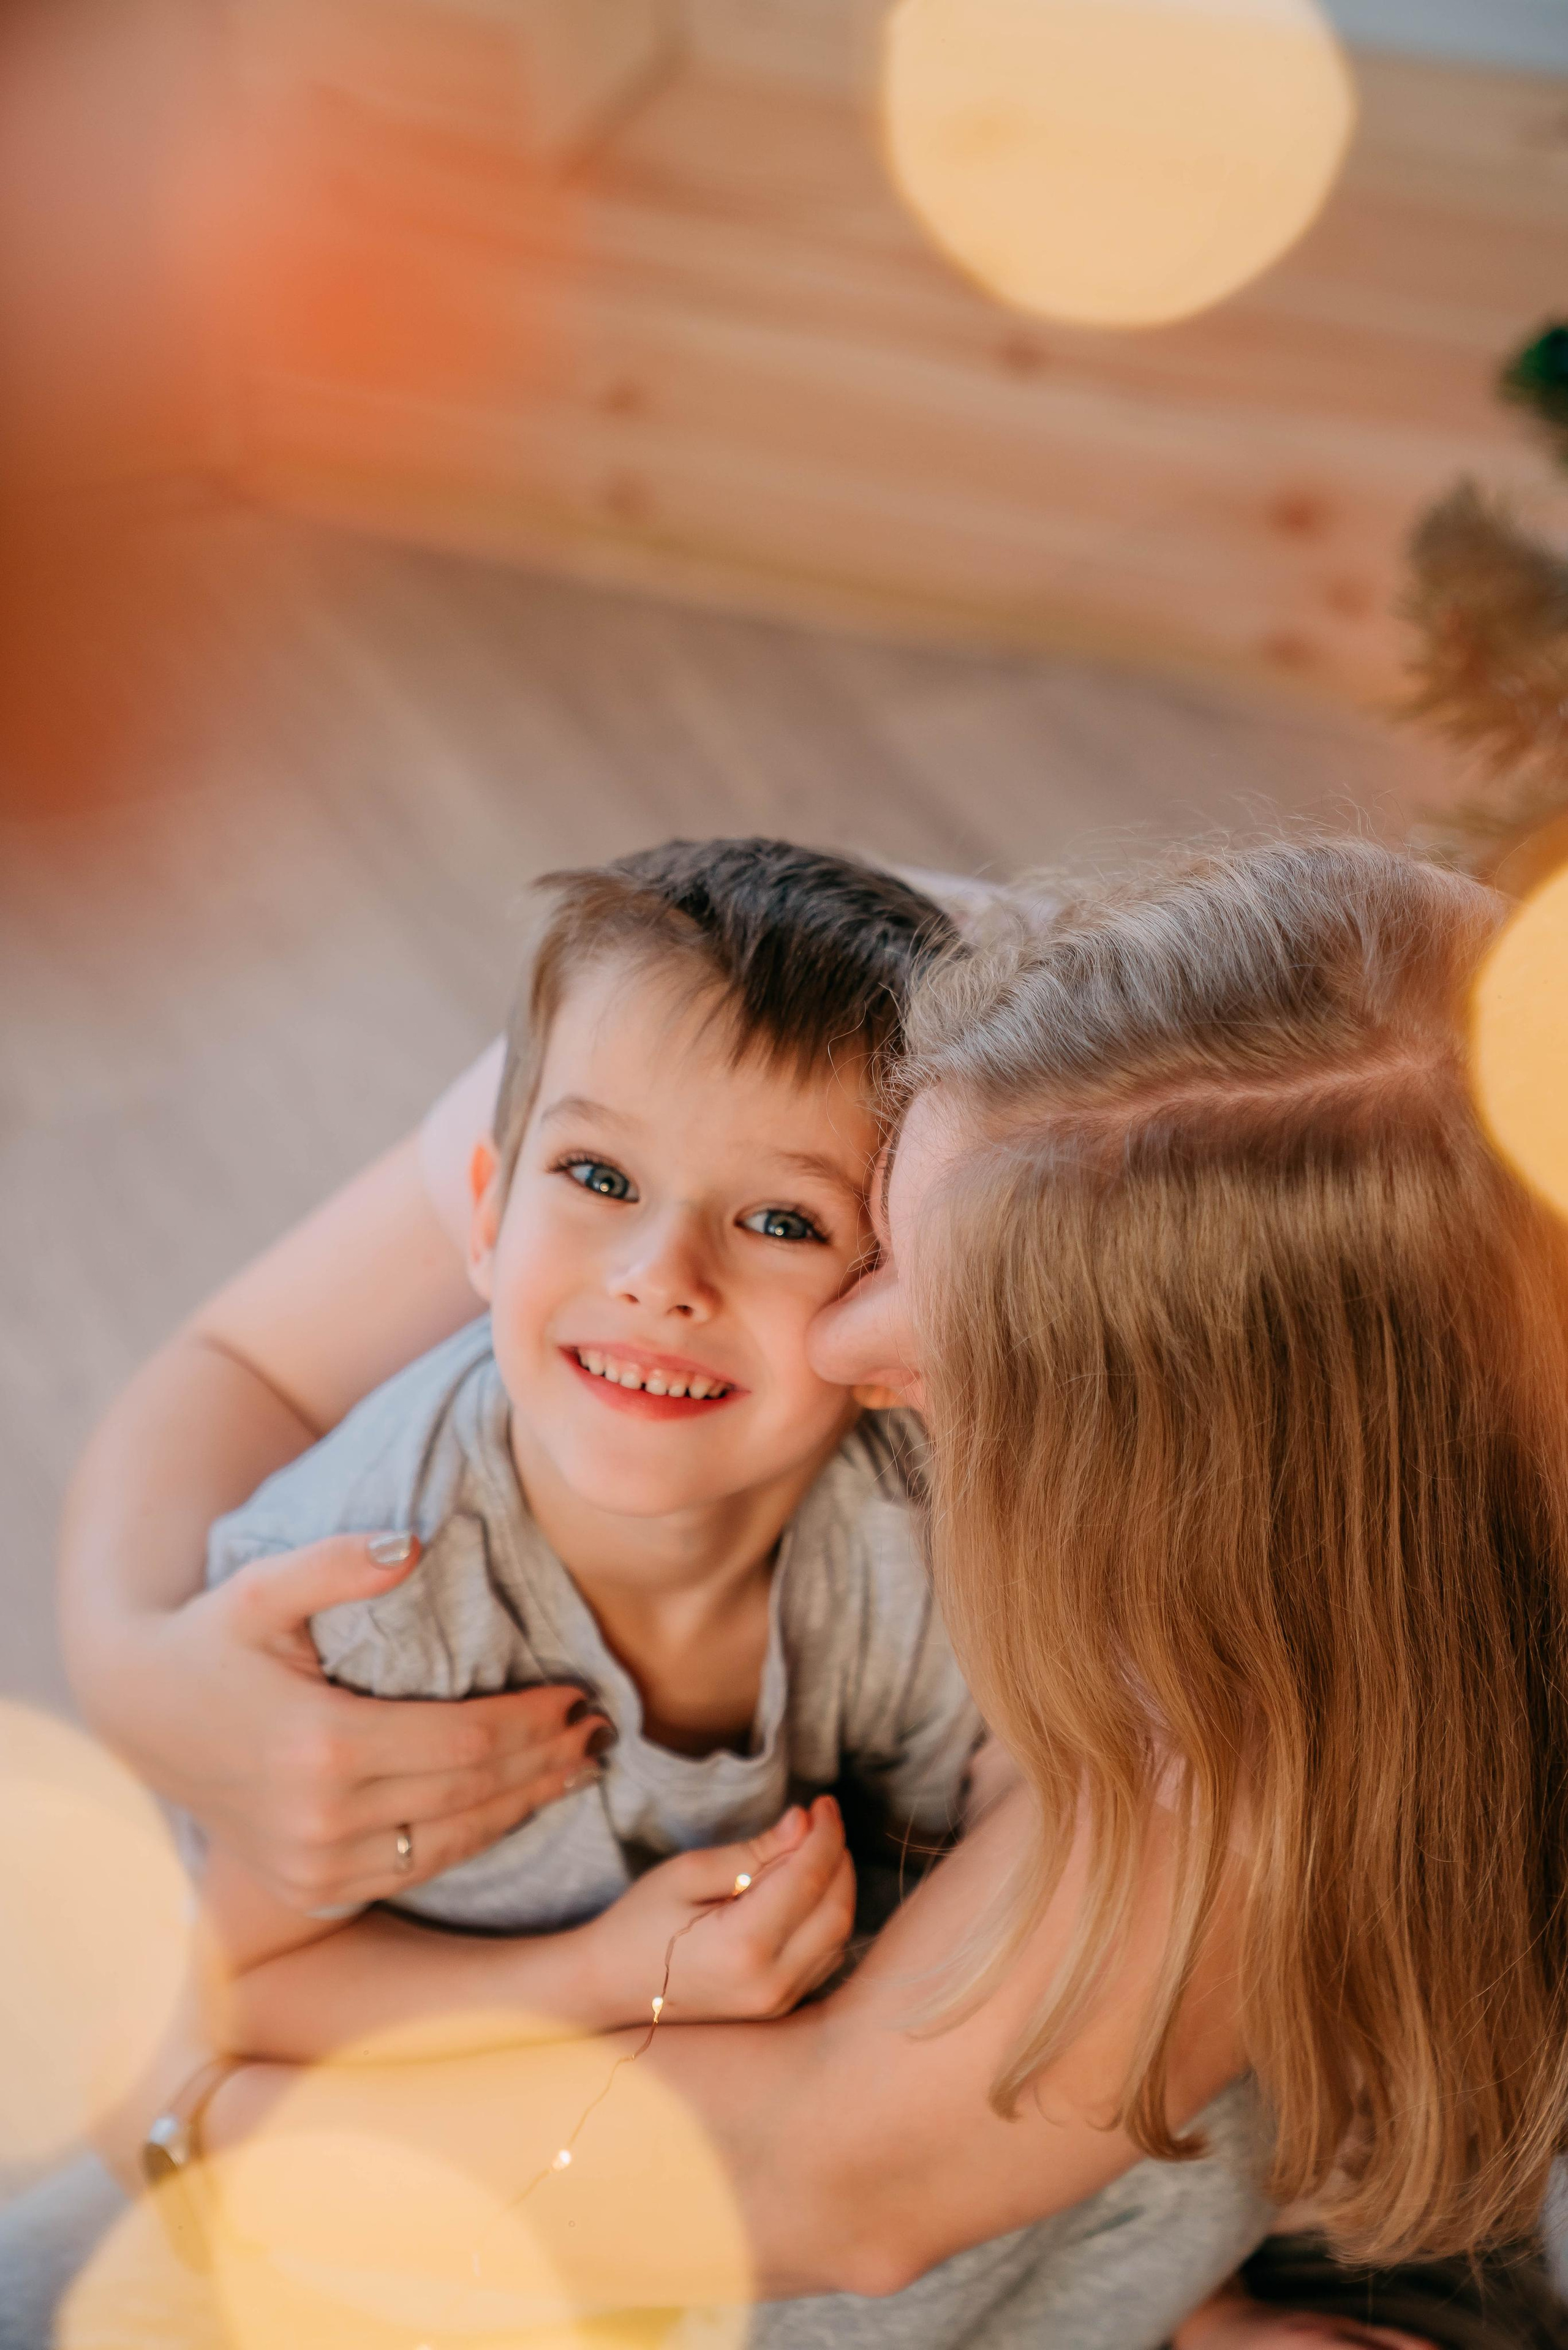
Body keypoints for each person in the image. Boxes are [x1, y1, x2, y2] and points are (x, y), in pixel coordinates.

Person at [29, 840, 1568, 2348]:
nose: (837, 1345)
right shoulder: (913, 1025)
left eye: (940, 1325)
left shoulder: (1294, 1667)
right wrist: (139, 1662)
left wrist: (194, 2111)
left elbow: (844, 2182)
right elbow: (234, 1373)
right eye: (890, 1229)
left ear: (1190, 1485)